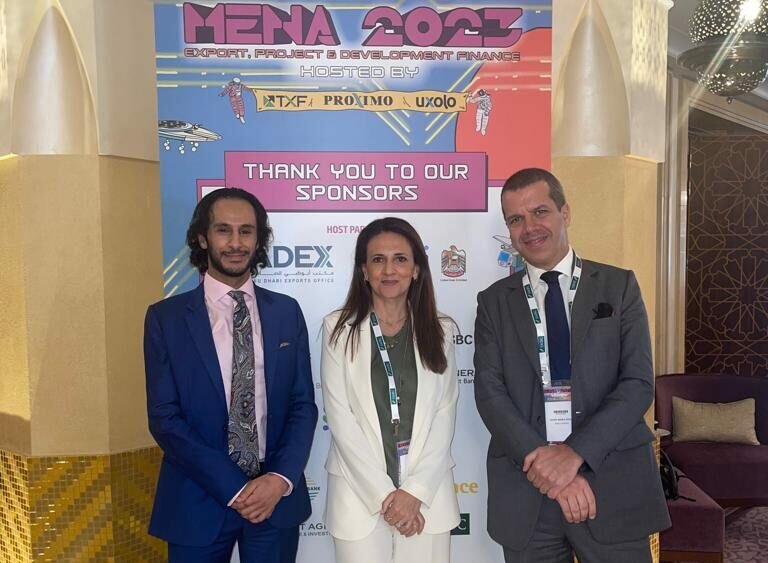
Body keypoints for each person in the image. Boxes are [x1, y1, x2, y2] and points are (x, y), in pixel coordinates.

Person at [474, 168, 670, 562]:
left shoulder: (619, 286)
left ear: (565, 212)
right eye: (516, 219)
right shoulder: (493, 302)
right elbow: (490, 394)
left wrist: (575, 455)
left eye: (540, 212)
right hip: (528, 494)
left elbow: (637, 384)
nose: (529, 228)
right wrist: (550, 469)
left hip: (611, 484)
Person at [143, 187, 317, 562]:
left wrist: (279, 479)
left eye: (246, 231)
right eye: (223, 230)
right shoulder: (166, 319)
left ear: (259, 239)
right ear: (203, 238)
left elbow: (302, 405)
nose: (236, 243)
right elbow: (165, 418)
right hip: (196, 498)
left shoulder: (286, 312)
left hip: (274, 501)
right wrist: (235, 488)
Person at [320, 217, 460, 563]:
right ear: (363, 271)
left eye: (400, 259)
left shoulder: (441, 330)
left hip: (426, 499)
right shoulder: (337, 329)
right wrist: (386, 495)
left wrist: (414, 493)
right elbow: (341, 419)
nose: (389, 270)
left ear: (416, 269)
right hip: (358, 498)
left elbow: (444, 415)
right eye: (378, 260)